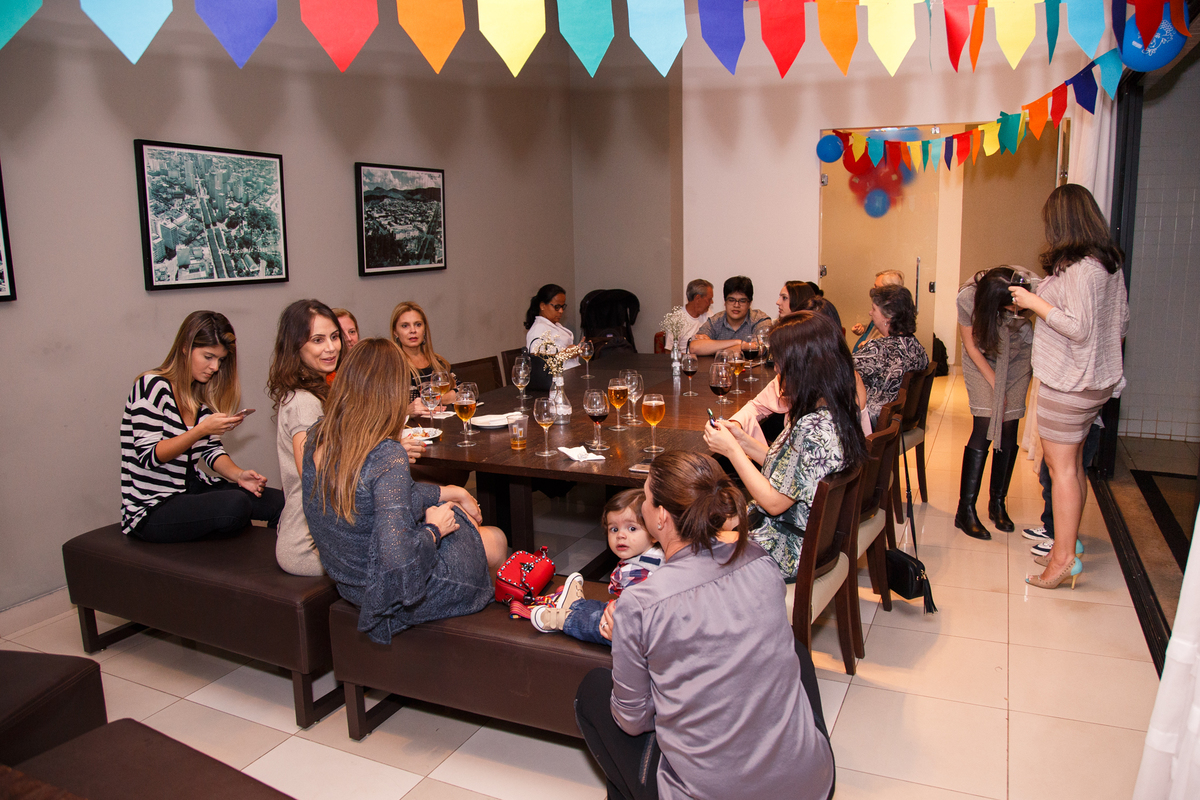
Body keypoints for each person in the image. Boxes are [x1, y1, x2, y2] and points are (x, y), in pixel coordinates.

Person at [574, 451, 834, 800]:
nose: (644, 506)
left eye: (647, 499)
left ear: (662, 517)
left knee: (593, 689)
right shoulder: (760, 560)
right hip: (812, 784)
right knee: (798, 654)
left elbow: (632, 721)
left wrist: (674, 701)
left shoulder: (641, 603)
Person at [301, 339, 509, 642]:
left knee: (469, 524)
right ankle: (487, 637)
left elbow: (381, 501)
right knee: (495, 540)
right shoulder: (386, 454)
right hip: (393, 596)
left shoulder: (319, 436)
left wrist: (450, 492)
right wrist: (434, 531)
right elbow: (400, 563)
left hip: (352, 582)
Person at [1010, 184, 1129, 590]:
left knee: (1061, 471)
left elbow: (1077, 328)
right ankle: (1067, 548)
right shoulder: (1108, 265)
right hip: (1097, 382)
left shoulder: (1082, 270)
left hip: (1069, 383)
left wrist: (1033, 303)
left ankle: (1061, 559)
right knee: (1073, 467)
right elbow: (1121, 321)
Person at [705, 312, 867, 579]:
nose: (777, 369)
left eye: (780, 362)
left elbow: (773, 502)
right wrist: (743, 440)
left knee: (687, 541)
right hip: (801, 540)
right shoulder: (835, 410)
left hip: (786, 551)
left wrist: (732, 451)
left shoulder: (811, 428)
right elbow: (792, 472)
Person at [120, 311, 283, 542]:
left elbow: (211, 451)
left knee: (283, 504)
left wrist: (240, 476)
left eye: (220, 359)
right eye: (208, 356)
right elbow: (150, 455)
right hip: (151, 507)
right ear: (186, 347)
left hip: (192, 490)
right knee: (234, 505)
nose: (215, 367)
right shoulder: (151, 386)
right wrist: (200, 430)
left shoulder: (198, 399)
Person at [954, 267, 1036, 540]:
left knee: (1010, 424)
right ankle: (965, 511)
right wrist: (994, 384)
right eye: (1009, 306)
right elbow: (970, 344)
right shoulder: (967, 298)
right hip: (982, 358)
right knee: (987, 421)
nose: (1015, 307)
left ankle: (997, 503)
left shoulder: (1027, 284)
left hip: (1017, 355)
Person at [266, 300, 344, 576]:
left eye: (334, 337)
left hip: (325, 533)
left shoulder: (317, 391)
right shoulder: (303, 403)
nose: (331, 347)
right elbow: (316, 479)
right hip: (308, 544)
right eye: (318, 340)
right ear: (295, 346)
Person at [531, 490, 662, 643]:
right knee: (604, 607)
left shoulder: (637, 573)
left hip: (636, 634)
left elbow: (630, 619)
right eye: (614, 529)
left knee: (597, 623)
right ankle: (575, 604)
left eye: (632, 528)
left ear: (653, 533)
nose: (621, 535)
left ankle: (565, 619)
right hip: (645, 621)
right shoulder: (656, 556)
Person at [853, 284, 929, 426]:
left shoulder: (878, 349)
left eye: (874, 309)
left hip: (876, 422)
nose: (870, 313)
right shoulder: (917, 348)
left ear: (888, 317)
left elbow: (838, 369)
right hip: (901, 421)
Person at [390, 301, 454, 416]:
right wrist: (407, 411)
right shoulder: (393, 367)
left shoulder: (438, 362)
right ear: (395, 332)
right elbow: (386, 411)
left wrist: (434, 400)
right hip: (413, 430)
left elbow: (462, 392)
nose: (413, 330)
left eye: (418, 324)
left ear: (424, 329)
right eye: (405, 326)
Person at [689, 275, 772, 356]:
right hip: (720, 370)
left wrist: (713, 349)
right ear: (725, 302)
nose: (736, 305)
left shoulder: (760, 320)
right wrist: (739, 343)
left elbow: (761, 349)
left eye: (742, 301)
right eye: (731, 300)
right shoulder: (715, 321)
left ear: (750, 303)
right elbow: (694, 348)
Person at [524, 283, 580, 369]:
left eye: (562, 306)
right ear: (542, 306)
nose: (561, 311)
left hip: (570, 372)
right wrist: (566, 354)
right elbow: (538, 363)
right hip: (556, 379)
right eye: (557, 307)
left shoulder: (554, 325)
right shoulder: (538, 329)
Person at [851, 269, 905, 351]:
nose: (873, 290)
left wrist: (872, 345)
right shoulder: (880, 308)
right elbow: (875, 329)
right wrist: (864, 328)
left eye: (877, 287)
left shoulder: (893, 317)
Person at [663, 278, 714, 351]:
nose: (712, 302)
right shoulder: (676, 320)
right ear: (698, 298)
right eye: (709, 299)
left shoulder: (709, 314)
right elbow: (669, 352)